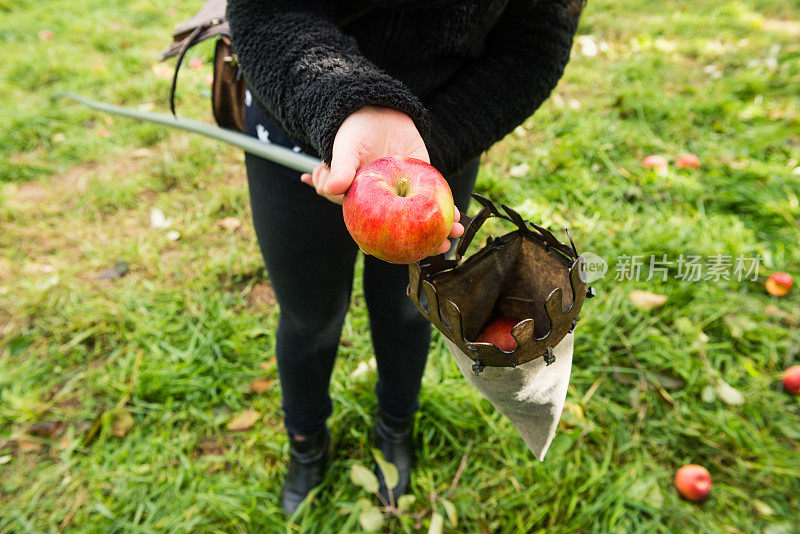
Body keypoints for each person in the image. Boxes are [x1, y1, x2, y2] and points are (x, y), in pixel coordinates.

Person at [227, 0, 584, 516]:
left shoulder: (429, 151)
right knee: (309, 318)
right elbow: (266, 9)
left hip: (433, 146)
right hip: (297, 120)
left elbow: (533, 45)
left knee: (405, 311)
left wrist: (429, 146)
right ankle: (307, 442)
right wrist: (342, 103)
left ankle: (395, 426)